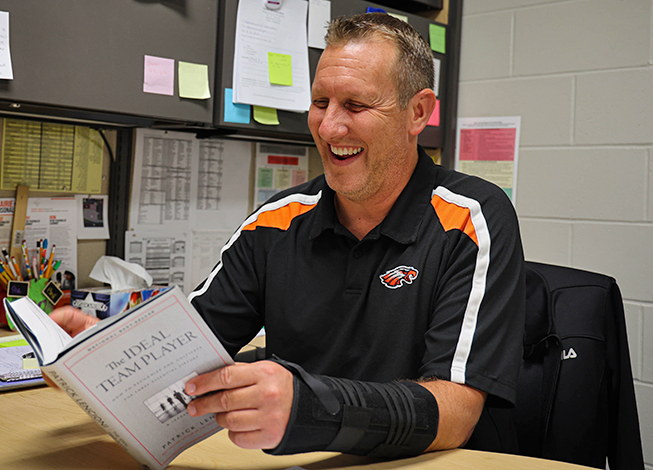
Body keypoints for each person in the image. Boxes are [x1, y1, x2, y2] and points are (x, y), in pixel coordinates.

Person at [52, 13, 525, 460]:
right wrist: (103, 359)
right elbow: (188, 350)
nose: (329, 126)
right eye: (320, 103)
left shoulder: (471, 217)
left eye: (356, 105)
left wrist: (312, 409)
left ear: (417, 112)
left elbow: (457, 412)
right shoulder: (274, 222)